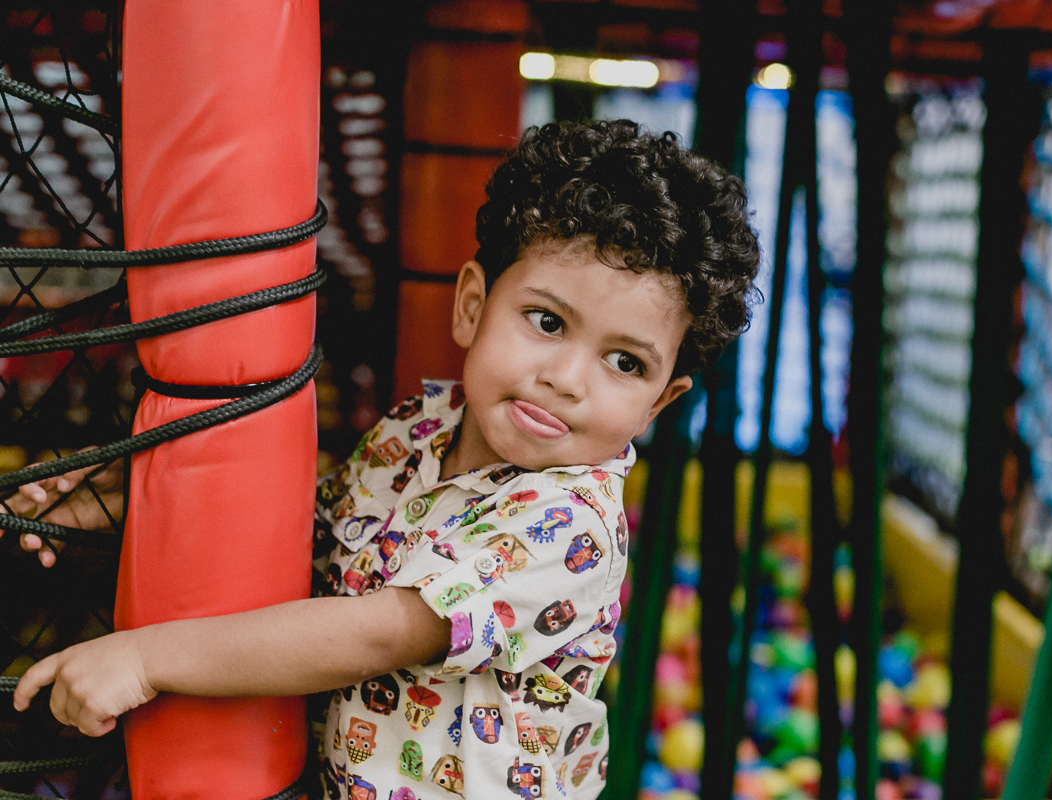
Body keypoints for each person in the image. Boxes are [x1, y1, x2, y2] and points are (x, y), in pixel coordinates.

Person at [7, 119, 760, 800]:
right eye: (546, 320)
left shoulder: (567, 525)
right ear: (472, 306)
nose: (567, 378)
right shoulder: (419, 428)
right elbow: (304, 539)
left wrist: (145, 660)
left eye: (625, 363)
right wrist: (125, 493)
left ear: (660, 404)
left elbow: (376, 632)